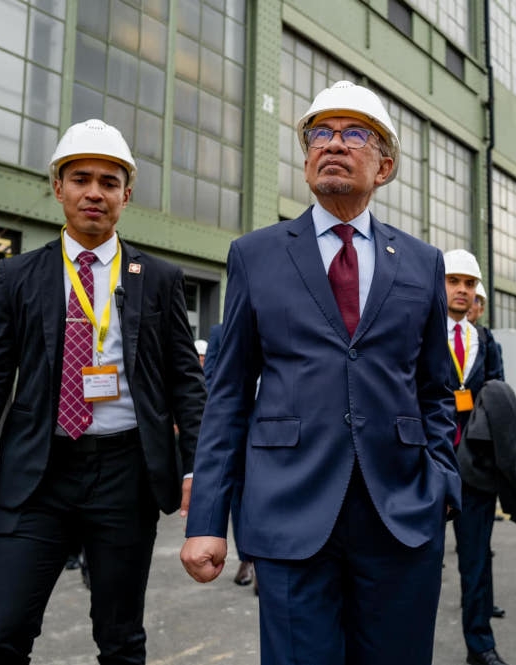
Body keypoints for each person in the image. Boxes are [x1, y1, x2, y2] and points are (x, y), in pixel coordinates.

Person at [180, 81, 461, 665]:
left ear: (385, 165)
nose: (333, 143)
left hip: (401, 513)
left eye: (354, 133)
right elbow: (227, 394)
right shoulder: (255, 255)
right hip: (290, 512)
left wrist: (441, 483)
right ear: (306, 158)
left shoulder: (422, 262)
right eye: (319, 133)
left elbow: (437, 388)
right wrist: (206, 519)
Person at [0, 118, 206, 664]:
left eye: (109, 182)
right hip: (39, 477)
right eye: (80, 178)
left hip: (126, 477)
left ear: (126, 196)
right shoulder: (18, 277)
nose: (94, 193)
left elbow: (186, 385)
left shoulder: (159, 279)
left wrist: (196, 471)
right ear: (58, 187)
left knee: (121, 640)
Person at [443, 249, 509, 665]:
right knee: (416, 564)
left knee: (476, 561)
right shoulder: (416, 332)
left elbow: (498, 395)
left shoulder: (485, 341)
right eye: (454, 281)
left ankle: (480, 646)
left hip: (475, 469)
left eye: (469, 283)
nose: (463, 290)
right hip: (425, 466)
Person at [201, 322, 256, 589]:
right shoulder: (220, 332)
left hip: (281, 427)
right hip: (240, 427)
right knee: (238, 495)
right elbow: (210, 377)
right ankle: (247, 559)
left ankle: (266, 561)